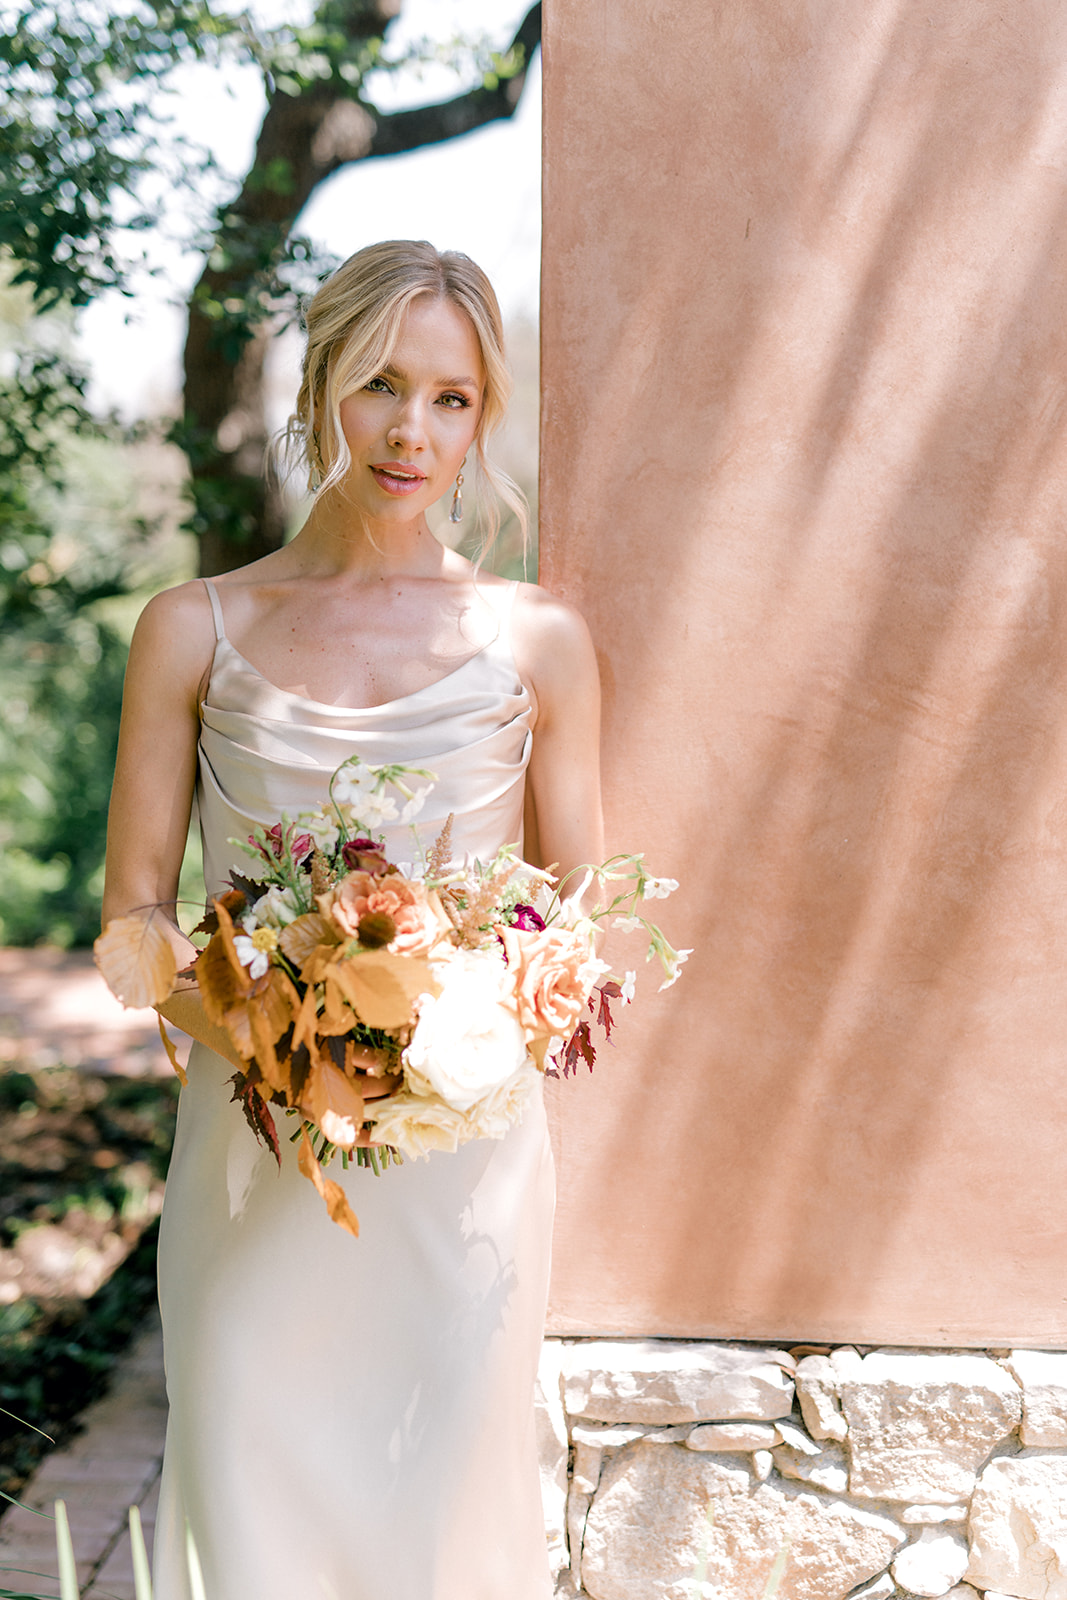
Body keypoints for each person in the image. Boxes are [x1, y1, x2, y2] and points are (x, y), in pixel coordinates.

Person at [102, 239, 602, 1600]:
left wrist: (459, 1034)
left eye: (451, 398)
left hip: (463, 1180)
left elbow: (579, 918)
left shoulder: (538, 642)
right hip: (256, 1156)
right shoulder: (192, 628)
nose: (410, 431)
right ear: (320, 380)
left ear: (483, 417)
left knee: (442, 1537)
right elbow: (135, 920)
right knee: (249, 1504)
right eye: (381, 383)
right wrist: (284, 1041)